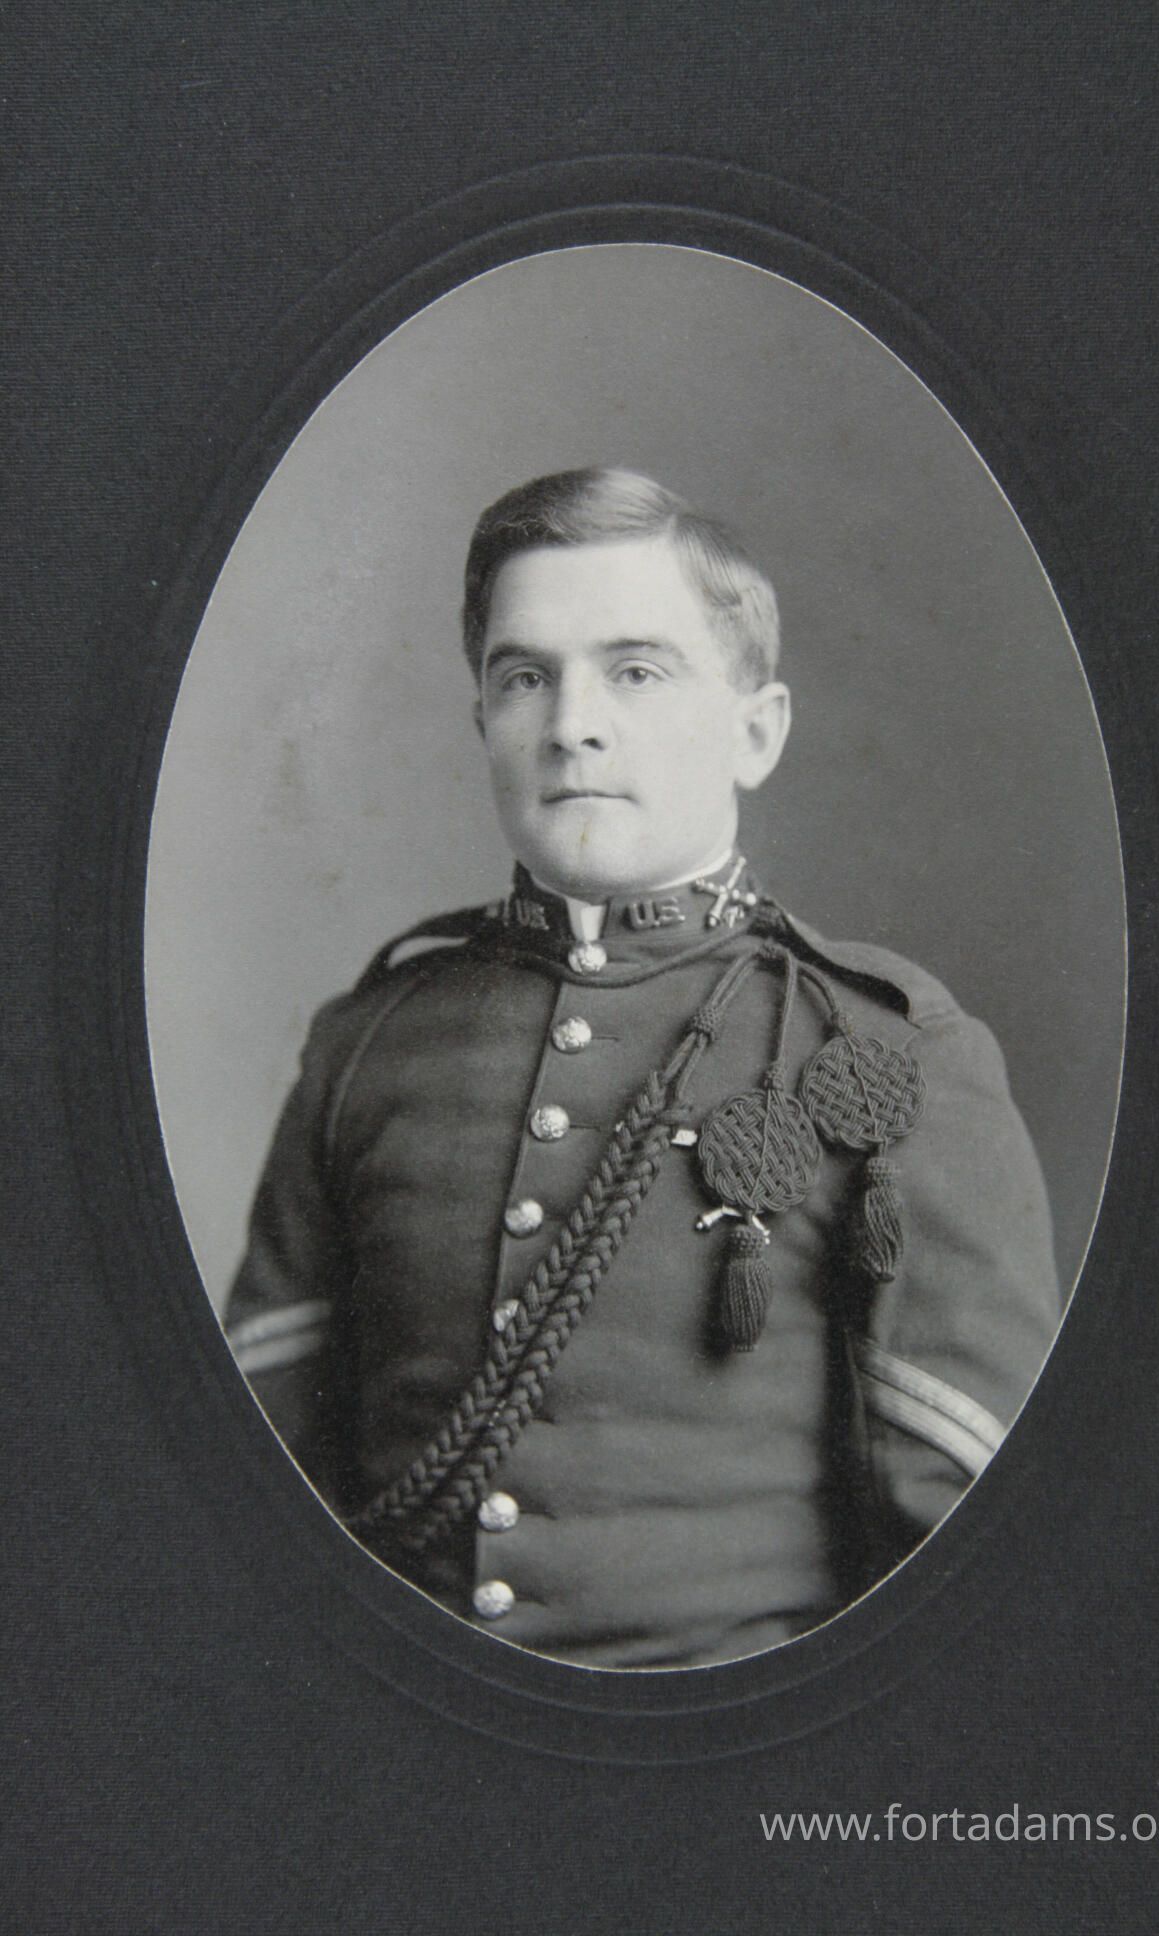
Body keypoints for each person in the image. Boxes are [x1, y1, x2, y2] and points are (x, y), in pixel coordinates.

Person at [225, 466, 1062, 1670]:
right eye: (524, 677)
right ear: (482, 723)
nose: (572, 723)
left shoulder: (887, 1053)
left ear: (756, 731)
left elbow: (974, 1567)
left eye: (635, 671)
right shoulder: (368, 1043)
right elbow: (255, 1492)